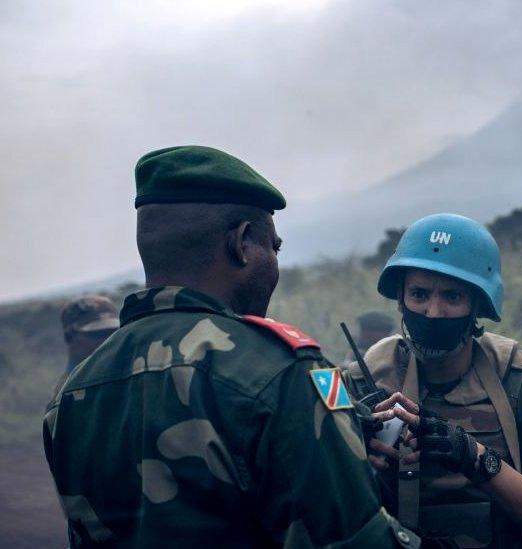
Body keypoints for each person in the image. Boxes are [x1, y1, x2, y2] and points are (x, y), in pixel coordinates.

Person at [43, 145, 416, 548]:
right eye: (273, 247)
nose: (275, 262)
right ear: (241, 243)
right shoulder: (281, 370)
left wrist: (346, 429)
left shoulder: (72, 393)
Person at [343, 213, 522, 548]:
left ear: (477, 304)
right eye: (420, 294)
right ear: (401, 298)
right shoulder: (359, 385)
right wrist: (353, 463)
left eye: (452, 297)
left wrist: (473, 456)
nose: (433, 312)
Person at [60, 295, 120, 374]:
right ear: (70, 337)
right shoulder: (71, 385)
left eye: (114, 332)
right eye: (97, 334)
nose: (108, 339)